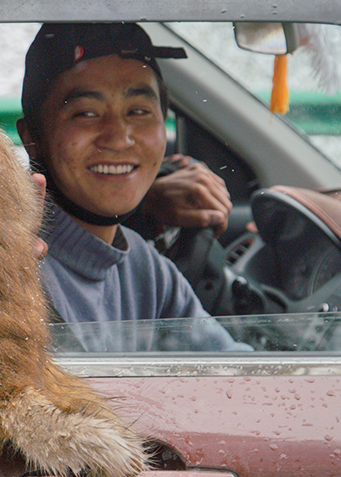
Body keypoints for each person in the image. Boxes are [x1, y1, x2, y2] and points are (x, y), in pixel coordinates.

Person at [17, 22, 247, 352]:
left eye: (138, 111)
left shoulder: (143, 268)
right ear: (32, 138)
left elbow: (233, 372)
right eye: (86, 113)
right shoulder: (13, 264)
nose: (120, 137)